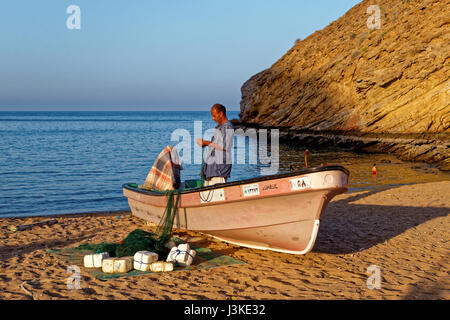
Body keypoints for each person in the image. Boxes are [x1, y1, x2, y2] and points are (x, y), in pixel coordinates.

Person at [196, 104, 234, 186]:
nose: (213, 118)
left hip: (219, 171)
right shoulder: (220, 127)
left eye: (214, 115)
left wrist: (206, 142)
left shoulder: (227, 127)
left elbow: (224, 146)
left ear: (221, 113)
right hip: (213, 171)